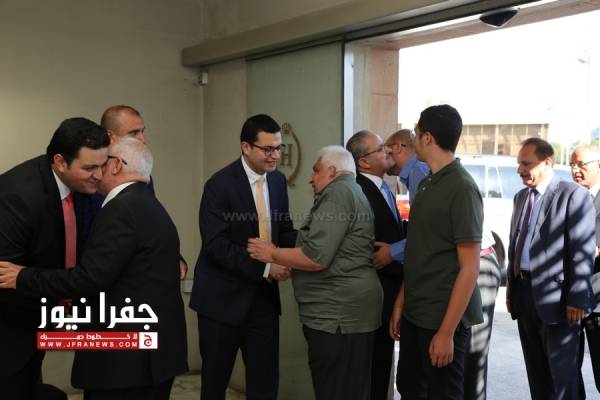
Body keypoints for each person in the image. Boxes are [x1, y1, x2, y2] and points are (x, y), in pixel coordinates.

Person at [0, 137, 188, 399]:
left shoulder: (121, 208)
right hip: (155, 356)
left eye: (102, 164)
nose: (97, 173)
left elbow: (90, 278)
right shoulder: (148, 204)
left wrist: (23, 277)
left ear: (117, 165)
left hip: (125, 365)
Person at [247, 145, 383, 400]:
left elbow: (315, 257)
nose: (310, 178)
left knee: (335, 390)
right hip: (343, 314)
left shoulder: (338, 193)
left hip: (338, 316)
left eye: (316, 170)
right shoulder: (348, 190)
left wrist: (272, 253)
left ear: (332, 172)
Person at [0, 118, 109, 400]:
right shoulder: (18, 197)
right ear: (60, 162)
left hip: (36, 321)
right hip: (9, 335)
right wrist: (57, 296)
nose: (99, 175)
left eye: (103, 165)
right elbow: (5, 280)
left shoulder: (80, 187)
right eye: (90, 168)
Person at [190, 114, 297, 400]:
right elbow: (216, 245)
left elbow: (284, 229)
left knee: (265, 385)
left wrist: (303, 252)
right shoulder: (219, 185)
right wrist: (267, 269)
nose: (275, 156)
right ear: (246, 147)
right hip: (221, 301)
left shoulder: (278, 181)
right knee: (214, 386)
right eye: (268, 149)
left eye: (278, 148)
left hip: (263, 301)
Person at [389, 104, 483, 400]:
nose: (413, 140)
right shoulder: (427, 183)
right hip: (415, 315)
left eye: (415, 133)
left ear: (427, 137)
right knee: (409, 388)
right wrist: (401, 302)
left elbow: (470, 268)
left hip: (441, 320)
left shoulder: (462, 188)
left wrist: (446, 333)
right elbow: (420, 251)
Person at [507, 138, 595, 400]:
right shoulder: (521, 197)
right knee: (537, 376)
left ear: (547, 162)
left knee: (563, 380)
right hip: (524, 296)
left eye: (526, 164)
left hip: (559, 303)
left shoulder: (572, 195)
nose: (520, 170)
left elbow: (581, 250)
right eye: (519, 164)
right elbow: (514, 245)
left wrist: (577, 298)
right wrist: (511, 290)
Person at [346, 130, 404, 400]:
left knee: (381, 366)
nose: (388, 151)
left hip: (390, 290)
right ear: (364, 162)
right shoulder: (358, 190)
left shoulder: (383, 187)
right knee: (371, 370)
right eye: (381, 148)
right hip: (373, 293)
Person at [98, 105, 188, 280]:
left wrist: (173, 257)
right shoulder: (91, 177)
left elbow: (148, 225)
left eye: (142, 131)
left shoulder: (142, 176)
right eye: (133, 133)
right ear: (109, 136)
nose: (142, 139)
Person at [571, 145, 600, 396]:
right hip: (570, 300)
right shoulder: (570, 198)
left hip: (598, 300)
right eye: (572, 164)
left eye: (581, 165)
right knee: (569, 371)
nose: (575, 170)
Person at [385, 128, 430, 204]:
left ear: (397, 147)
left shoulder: (417, 170)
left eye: (386, 148)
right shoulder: (416, 170)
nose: (384, 154)